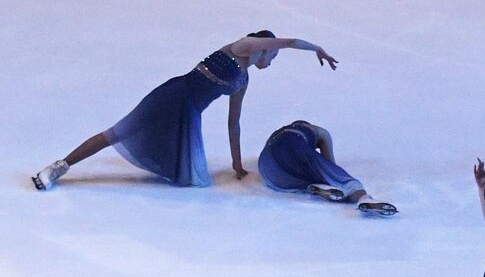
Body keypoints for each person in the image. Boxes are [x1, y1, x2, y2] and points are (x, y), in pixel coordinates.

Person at [32, 31, 337, 190]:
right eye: (273, 56)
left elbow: (234, 123)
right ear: (266, 48)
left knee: (197, 181)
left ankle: (62, 166)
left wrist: (236, 165)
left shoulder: (243, 79)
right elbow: (291, 41)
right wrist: (317, 49)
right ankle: (58, 167)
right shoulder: (243, 46)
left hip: (189, 115)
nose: (271, 62)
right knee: (117, 133)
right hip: (172, 96)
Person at [257, 119, 396, 215]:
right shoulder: (318, 133)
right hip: (292, 147)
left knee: (302, 177)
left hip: (267, 171)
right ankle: (363, 198)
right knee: (338, 178)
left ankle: (318, 187)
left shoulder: (278, 134)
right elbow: (330, 165)